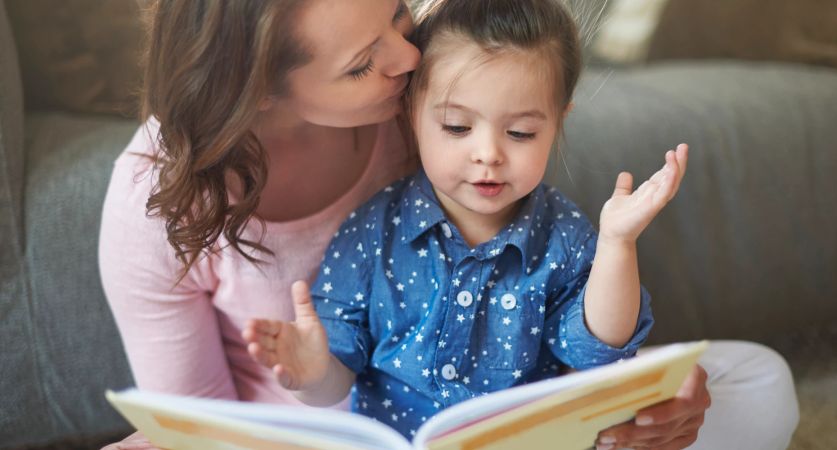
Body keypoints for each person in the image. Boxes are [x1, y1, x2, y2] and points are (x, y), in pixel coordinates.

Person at [100, 0, 797, 449]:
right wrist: (313, 374)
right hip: (320, 437)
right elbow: (192, 431)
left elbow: (582, 343)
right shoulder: (157, 198)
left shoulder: (430, 103)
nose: (409, 61)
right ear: (257, 87)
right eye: (363, 64)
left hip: (514, 424)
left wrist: (651, 405)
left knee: (752, 379)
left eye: (399, 21)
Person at [242, 0, 679, 438]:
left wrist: (617, 245)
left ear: (558, 122)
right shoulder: (372, 232)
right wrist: (314, 374)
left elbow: (597, 353)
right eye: (456, 127)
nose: (488, 153)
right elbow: (337, 377)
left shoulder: (563, 236)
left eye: (521, 133)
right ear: (410, 113)